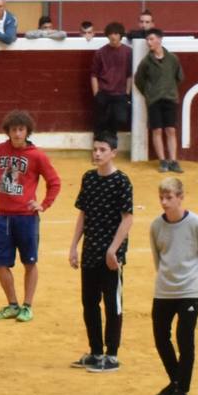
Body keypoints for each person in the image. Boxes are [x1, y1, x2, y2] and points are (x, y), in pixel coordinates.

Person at [0, 110, 63, 323]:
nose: (17, 134)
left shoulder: (37, 155)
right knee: (0, 262)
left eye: (21, 130)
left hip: (27, 217)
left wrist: (43, 205)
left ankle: (27, 305)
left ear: (27, 131)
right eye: (14, 130)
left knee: (29, 261)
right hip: (4, 217)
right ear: (7, 131)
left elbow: (54, 182)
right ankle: (12, 304)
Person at [68, 133, 134, 373]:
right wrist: (74, 245)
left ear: (113, 153)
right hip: (90, 251)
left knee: (112, 303)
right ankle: (96, 352)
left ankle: (112, 354)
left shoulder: (122, 182)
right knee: (89, 303)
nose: (97, 153)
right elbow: (83, 214)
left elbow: (127, 219)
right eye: (95, 149)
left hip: (111, 256)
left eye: (102, 150)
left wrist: (113, 249)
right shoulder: (89, 178)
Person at [149, 174, 198, 395]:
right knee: (160, 337)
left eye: (169, 197)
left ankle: (182, 389)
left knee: (185, 340)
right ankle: (175, 380)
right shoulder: (156, 225)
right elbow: (159, 258)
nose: (164, 202)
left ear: (180, 198)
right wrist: (166, 279)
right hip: (164, 290)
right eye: (161, 198)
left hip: (190, 290)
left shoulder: (197, 224)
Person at [135, 29, 185, 172]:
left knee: (170, 130)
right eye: (147, 40)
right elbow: (139, 80)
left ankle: (173, 160)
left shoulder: (172, 59)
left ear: (159, 40)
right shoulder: (146, 62)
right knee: (157, 130)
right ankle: (163, 161)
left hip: (169, 98)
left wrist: (170, 89)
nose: (149, 42)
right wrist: (149, 93)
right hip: (154, 100)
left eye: (151, 39)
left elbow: (179, 76)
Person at [90, 22, 132, 139]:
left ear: (120, 35)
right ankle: (98, 145)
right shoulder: (100, 52)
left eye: (116, 33)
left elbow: (130, 74)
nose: (113, 36)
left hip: (120, 93)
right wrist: (96, 93)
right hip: (103, 92)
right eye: (111, 34)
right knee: (101, 120)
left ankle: (111, 143)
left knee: (119, 119)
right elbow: (94, 75)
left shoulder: (128, 52)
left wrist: (127, 93)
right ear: (107, 36)